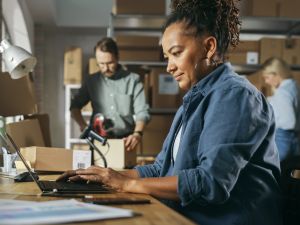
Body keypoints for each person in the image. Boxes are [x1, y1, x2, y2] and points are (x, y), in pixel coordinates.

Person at [59, 1, 282, 224]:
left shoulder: (235, 96)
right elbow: (161, 168)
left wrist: (126, 184)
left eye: (176, 53)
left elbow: (210, 183)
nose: (169, 67)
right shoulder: (194, 98)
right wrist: (106, 176)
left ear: (209, 47)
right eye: (167, 57)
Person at [70, 37, 150, 151]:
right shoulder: (91, 81)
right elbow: (74, 106)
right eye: (101, 64)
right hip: (98, 141)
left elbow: (142, 112)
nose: (105, 68)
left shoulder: (133, 80)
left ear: (117, 58)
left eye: (110, 63)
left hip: (125, 142)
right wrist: (83, 126)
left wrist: (137, 134)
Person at [262, 57, 300, 161]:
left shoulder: (283, 92)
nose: (266, 82)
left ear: (277, 74)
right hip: (295, 139)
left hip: (283, 138)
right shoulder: (294, 87)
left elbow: (289, 122)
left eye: (267, 77)